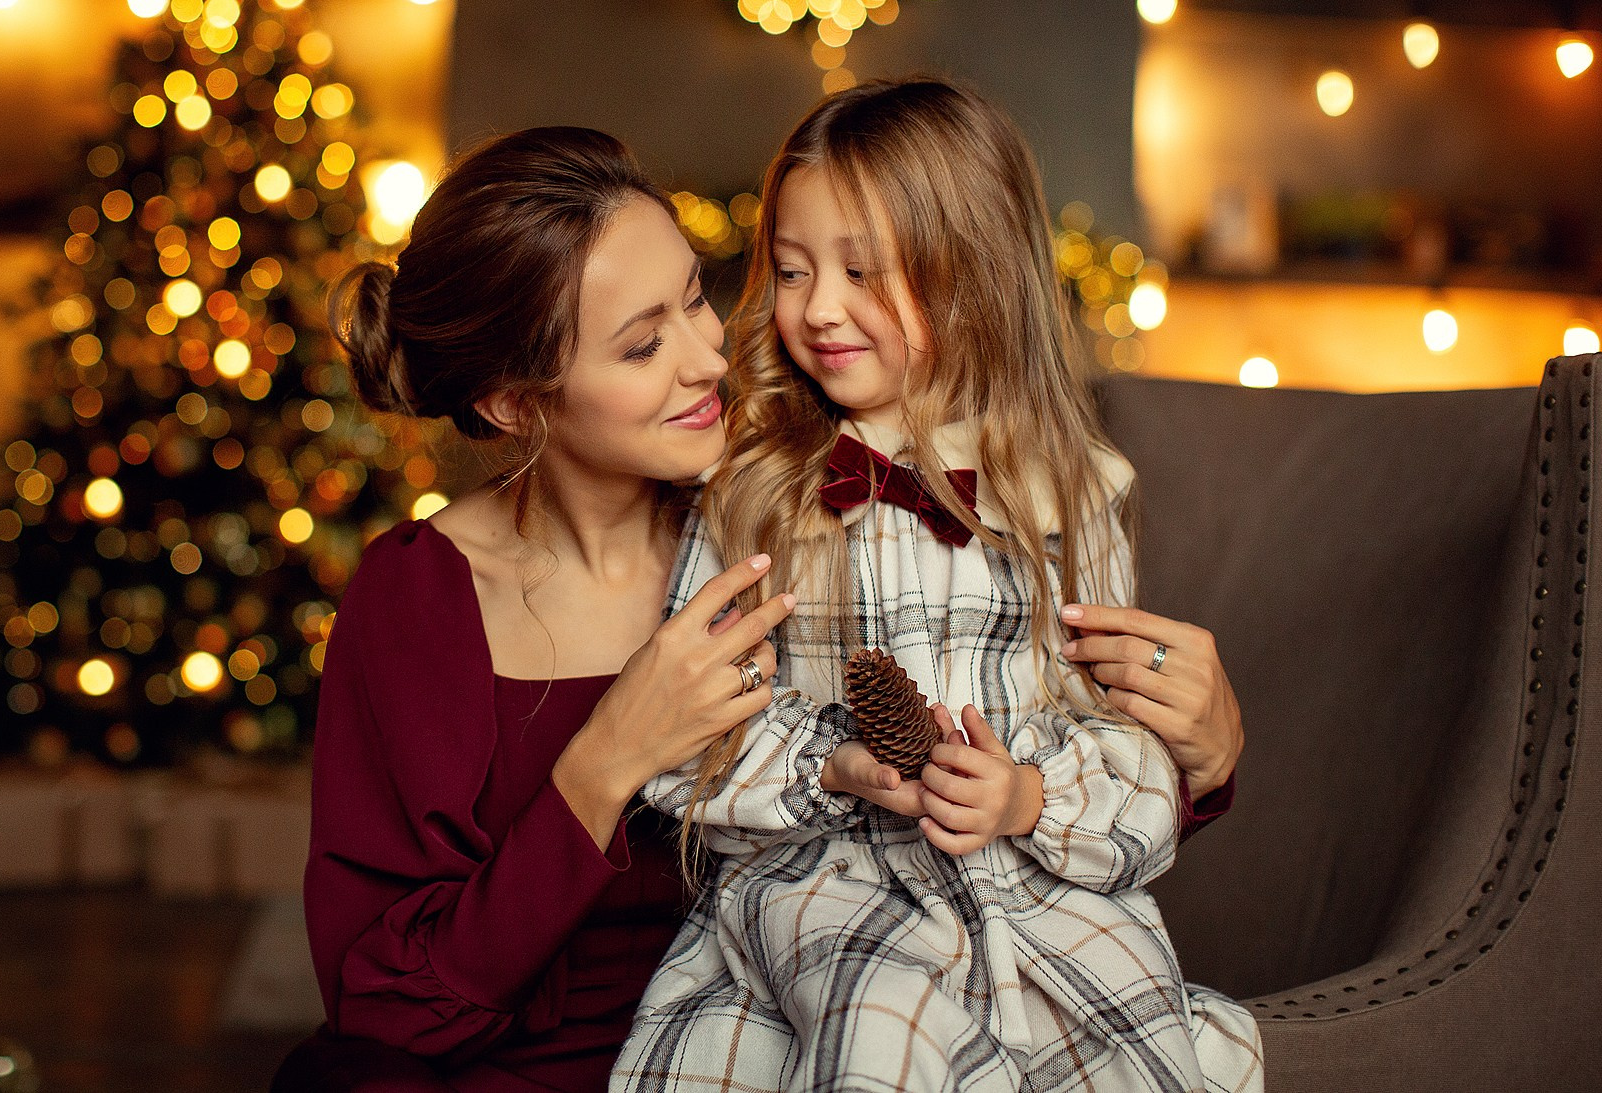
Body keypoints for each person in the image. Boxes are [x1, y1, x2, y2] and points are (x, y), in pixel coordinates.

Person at [283, 120, 1245, 1093]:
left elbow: (988, 756)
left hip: (826, 1030)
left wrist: (1200, 758)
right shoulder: (418, 601)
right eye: (642, 343)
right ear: (514, 404)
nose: (708, 358)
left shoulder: (795, 493)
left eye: (696, 295)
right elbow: (387, 1005)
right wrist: (604, 761)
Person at [609, 79, 1264, 1092]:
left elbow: (1121, 734)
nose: (817, 307)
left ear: (972, 274)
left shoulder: (1070, 493)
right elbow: (685, 740)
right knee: (880, 1020)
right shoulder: (752, 490)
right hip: (824, 883)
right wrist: (834, 763)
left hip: (1027, 886)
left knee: (1153, 1053)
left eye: (863, 272)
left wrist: (1024, 796)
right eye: (789, 270)